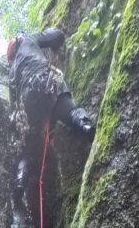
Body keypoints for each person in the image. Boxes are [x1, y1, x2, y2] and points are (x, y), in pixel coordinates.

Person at [6, 28, 96, 203]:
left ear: (11, 57)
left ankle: (20, 181)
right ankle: (85, 126)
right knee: (70, 111)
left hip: (28, 102)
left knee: (30, 146)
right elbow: (57, 35)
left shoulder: (11, 74)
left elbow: (14, 109)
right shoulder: (30, 41)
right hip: (48, 82)